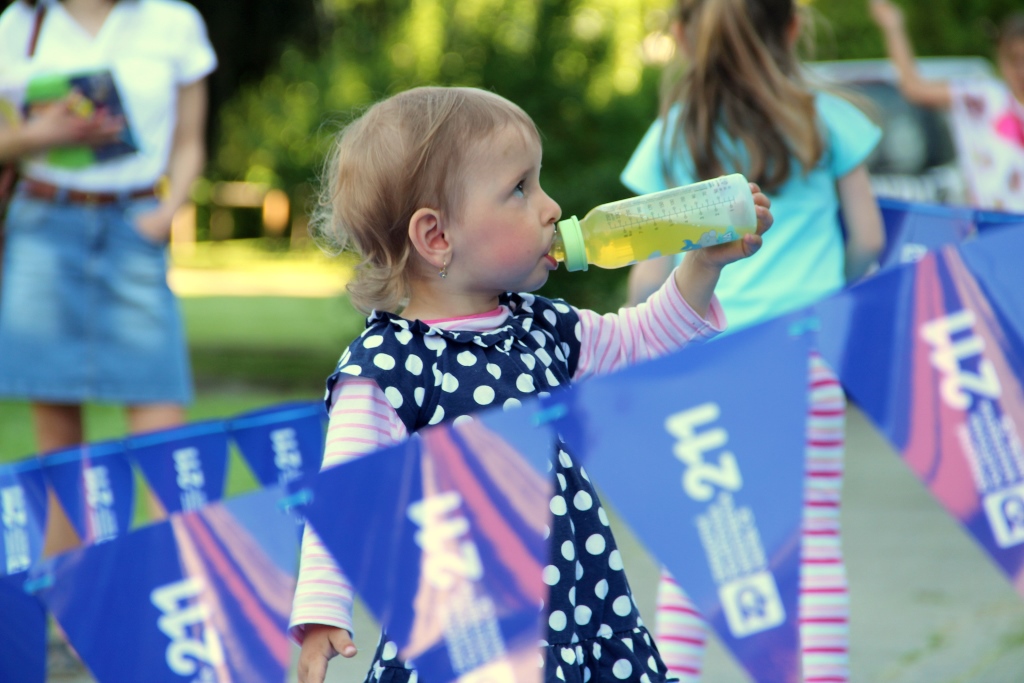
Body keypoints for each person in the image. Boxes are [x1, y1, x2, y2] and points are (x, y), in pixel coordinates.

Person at [289, 85, 774, 683]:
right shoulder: (388, 366)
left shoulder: (538, 325)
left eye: (538, 182)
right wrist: (319, 615)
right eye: (520, 189)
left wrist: (701, 264)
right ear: (436, 237)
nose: (550, 207)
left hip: (577, 612)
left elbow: (638, 340)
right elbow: (343, 497)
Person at [621, 0, 885, 681]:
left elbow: (648, 273)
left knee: (698, 537)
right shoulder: (824, 117)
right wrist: (838, 293)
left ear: (681, 35)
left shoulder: (677, 131)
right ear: (794, 27)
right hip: (808, 356)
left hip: (706, 363)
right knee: (812, 535)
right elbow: (870, 239)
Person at [0, 0, 216, 454]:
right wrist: (42, 134)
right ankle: (67, 531)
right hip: (44, 226)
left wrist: (167, 212)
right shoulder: (19, 24)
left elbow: (190, 142)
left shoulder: (173, 21)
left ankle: (167, 531)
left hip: (135, 226)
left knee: (163, 435)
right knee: (57, 451)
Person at [869, 0, 1024, 212]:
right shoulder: (983, 98)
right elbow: (914, 88)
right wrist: (893, 27)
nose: (1021, 71)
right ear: (1000, 58)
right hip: (992, 225)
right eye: (1014, 60)